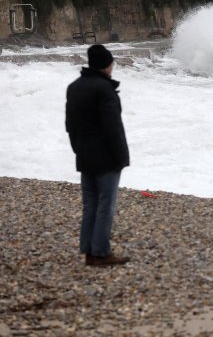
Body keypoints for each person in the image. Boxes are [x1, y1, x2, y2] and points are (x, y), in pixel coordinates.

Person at [66, 44, 130, 267]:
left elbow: (70, 126)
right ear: (107, 65)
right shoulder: (104, 90)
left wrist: (78, 149)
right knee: (105, 205)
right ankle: (101, 253)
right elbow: (113, 128)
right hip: (106, 158)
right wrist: (121, 158)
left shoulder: (74, 87)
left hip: (84, 155)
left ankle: (89, 252)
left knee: (90, 205)